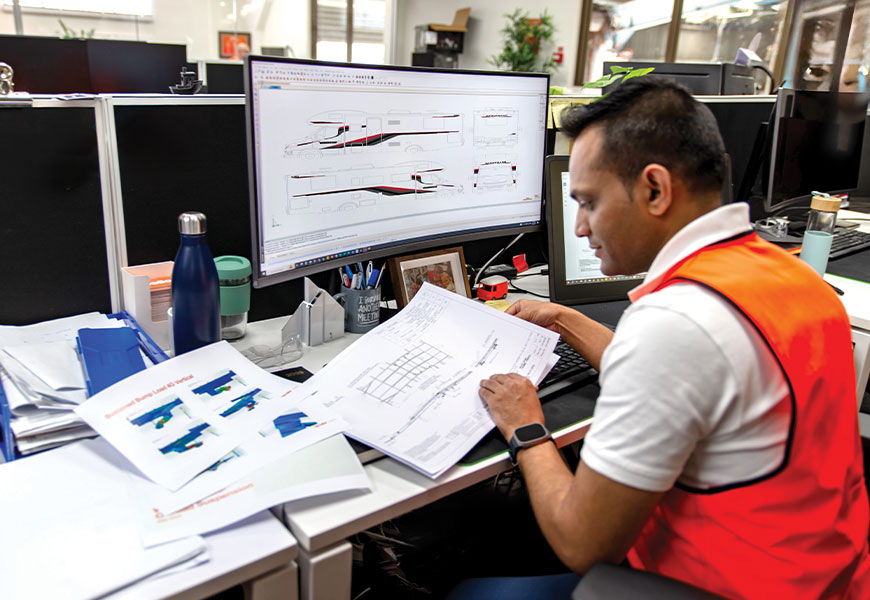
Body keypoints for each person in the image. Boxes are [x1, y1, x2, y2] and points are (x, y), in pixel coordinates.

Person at [455, 78, 870, 599]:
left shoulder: (676, 321)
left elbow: (581, 543)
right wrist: (564, 319)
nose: (579, 227)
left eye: (589, 202)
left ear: (655, 189)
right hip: (828, 579)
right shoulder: (789, 276)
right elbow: (689, 379)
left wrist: (526, 428)